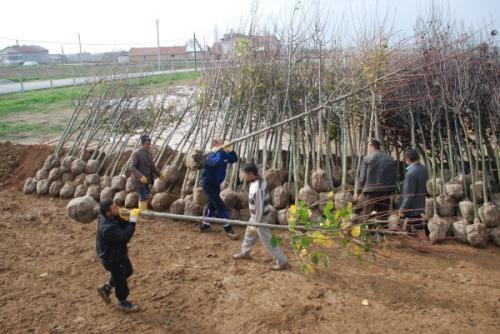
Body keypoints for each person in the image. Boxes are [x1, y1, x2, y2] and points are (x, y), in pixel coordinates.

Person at [232, 162, 289, 271]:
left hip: (260, 217)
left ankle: (282, 261)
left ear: (250, 173)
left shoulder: (258, 187)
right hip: (255, 216)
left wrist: (256, 224)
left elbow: (260, 208)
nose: (243, 175)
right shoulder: (258, 181)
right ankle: (245, 252)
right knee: (249, 234)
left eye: (244, 173)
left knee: (267, 240)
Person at [96, 198, 140, 313]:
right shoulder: (107, 228)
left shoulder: (107, 216)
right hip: (112, 258)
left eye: (116, 205)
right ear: (108, 212)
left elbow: (120, 224)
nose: (118, 208)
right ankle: (123, 301)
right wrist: (132, 221)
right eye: (114, 207)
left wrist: (124, 216)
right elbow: (124, 237)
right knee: (120, 279)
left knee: (128, 270)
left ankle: (106, 288)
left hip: (117, 253)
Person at [200, 139, 238, 240]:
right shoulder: (210, 155)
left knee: (211, 205)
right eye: (221, 144)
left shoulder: (223, 153)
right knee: (221, 206)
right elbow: (216, 163)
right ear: (214, 145)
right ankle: (228, 228)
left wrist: (230, 150)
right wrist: (220, 151)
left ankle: (205, 224)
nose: (223, 145)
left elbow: (234, 159)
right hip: (208, 184)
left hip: (216, 184)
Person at [357, 139, 396, 219]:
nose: (368, 149)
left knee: (366, 215)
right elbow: (393, 176)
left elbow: (362, 179)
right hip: (386, 191)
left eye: (368, 146)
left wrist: (358, 192)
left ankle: (365, 230)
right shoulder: (390, 159)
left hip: (371, 191)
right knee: (383, 215)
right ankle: (381, 230)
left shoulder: (367, 158)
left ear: (372, 147)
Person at [130, 134, 165, 210]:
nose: (148, 146)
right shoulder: (136, 153)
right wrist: (140, 176)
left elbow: (152, 167)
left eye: (149, 144)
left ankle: (143, 210)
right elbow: (132, 167)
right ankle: (143, 213)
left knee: (146, 195)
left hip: (147, 180)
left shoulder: (148, 153)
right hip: (139, 180)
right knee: (142, 196)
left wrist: (160, 175)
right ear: (142, 144)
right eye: (147, 144)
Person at [399, 148, 429, 238]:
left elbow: (409, 194)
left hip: (411, 206)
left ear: (407, 159)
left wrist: (403, 209)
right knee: (414, 225)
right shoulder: (423, 169)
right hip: (419, 203)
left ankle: (424, 246)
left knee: (418, 227)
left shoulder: (411, 173)